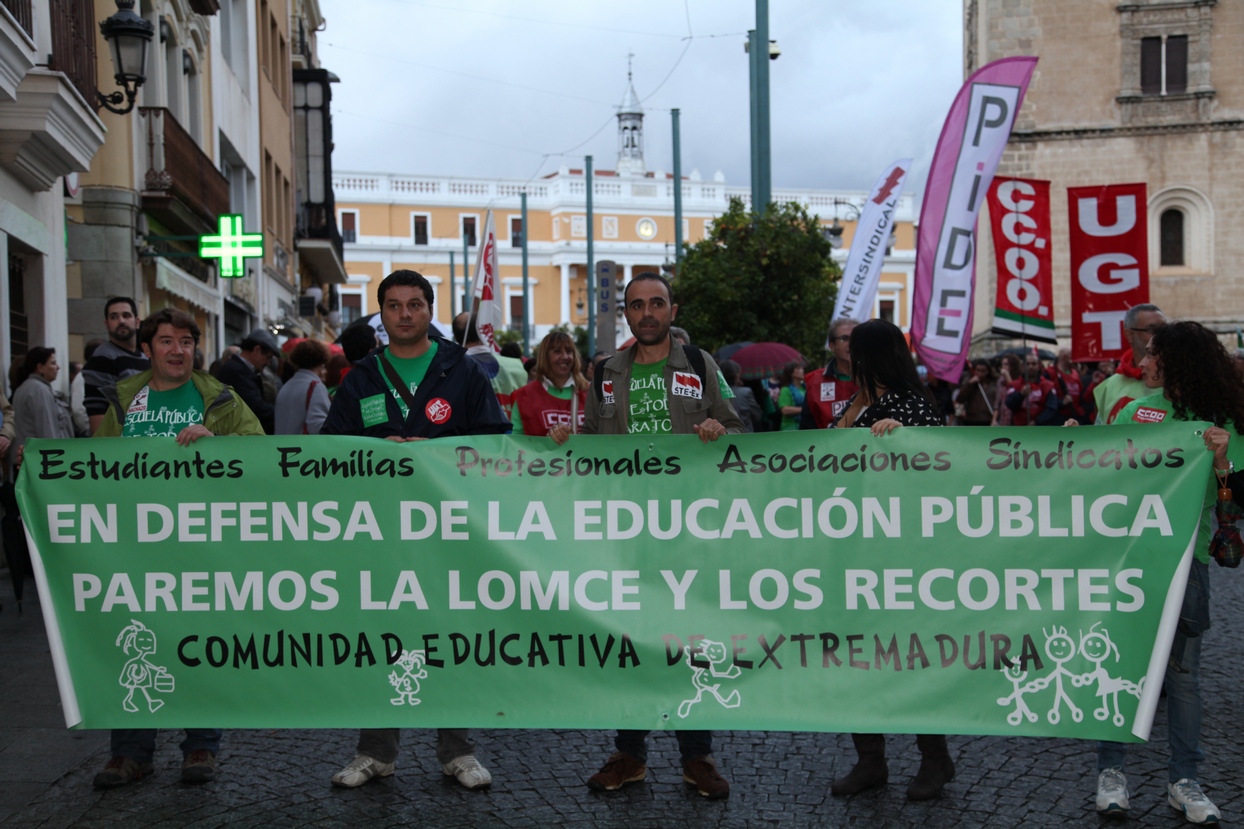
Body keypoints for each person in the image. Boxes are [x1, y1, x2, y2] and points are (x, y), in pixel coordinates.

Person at [321, 269, 509, 792]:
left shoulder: (463, 371)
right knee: (383, 635)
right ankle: (375, 752)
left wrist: (435, 457)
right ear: (381, 314)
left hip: (450, 530)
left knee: (451, 633)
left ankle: (458, 750)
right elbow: (329, 453)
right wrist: (380, 453)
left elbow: (495, 445)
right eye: (394, 305)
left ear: (430, 310)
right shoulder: (361, 377)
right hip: (379, 532)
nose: (405, 314)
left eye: (415, 304)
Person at [564, 271, 743, 800]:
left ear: (672, 308)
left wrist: (718, 431)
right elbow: (592, 443)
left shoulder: (701, 365)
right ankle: (630, 754)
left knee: (692, 641)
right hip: (627, 533)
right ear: (626, 313)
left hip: (691, 532)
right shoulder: (606, 373)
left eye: (656, 303)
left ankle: (697, 757)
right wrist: (564, 442)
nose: (647, 313)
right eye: (637, 305)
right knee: (631, 642)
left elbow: (737, 428)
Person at [91, 308, 263, 788]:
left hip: (205, 549)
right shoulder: (126, 401)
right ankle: (129, 753)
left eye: (186, 341)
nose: (177, 350)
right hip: (136, 548)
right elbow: (95, 470)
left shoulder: (222, 401)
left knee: (200, 643)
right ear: (148, 349)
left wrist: (218, 444)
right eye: (166, 341)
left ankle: (201, 746)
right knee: (130, 641)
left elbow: (262, 455)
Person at [1091, 321, 1243, 824]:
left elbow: (1237, 498)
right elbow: (1101, 473)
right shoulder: (1137, 411)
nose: (1144, 362)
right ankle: (1111, 774)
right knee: (1117, 666)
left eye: (1153, 355)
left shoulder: (1222, 421)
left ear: (1176, 362)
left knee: (1183, 679)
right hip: (1127, 561)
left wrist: (1222, 463)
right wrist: (1071, 447)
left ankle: (1185, 780)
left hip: (1186, 565)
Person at [829, 319, 955, 801]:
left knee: (910, 655)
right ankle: (871, 760)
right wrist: (858, 409)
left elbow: (931, 471)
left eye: (852, 350)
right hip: (856, 548)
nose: (844, 356)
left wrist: (904, 438)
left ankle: (935, 757)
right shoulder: (860, 402)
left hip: (900, 554)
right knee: (859, 656)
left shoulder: (911, 406)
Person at [82, 297, 149, 435]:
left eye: (126, 315)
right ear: (107, 324)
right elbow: (96, 409)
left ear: (137, 322)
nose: (121, 321)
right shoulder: (103, 358)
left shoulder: (145, 358)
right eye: (114, 317)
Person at [1093, 303, 1164, 424]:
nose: (1162, 336)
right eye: (1153, 329)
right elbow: (1100, 434)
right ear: (1130, 335)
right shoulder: (1109, 386)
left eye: (1165, 329)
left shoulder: (1176, 383)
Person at [510, 330, 588, 438]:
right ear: (545, 357)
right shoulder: (524, 397)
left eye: (569, 351)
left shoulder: (590, 393)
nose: (565, 356)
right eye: (557, 351)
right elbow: (515, 442)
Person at [452, 311, 529, 418]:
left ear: (455, 337)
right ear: (484, 331)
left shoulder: (452, 368)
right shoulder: (516, 366)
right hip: (512, 433)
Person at [9, 348, 74, 470]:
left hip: (32, 460)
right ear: (40, 367)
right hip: (41, 463)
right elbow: (47, 430)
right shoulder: (39, 390)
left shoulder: (26, 387)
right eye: (53, 363)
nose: (58, 367)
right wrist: (57, 463)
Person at [215, 328, 281, 434]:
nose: (268, 363)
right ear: (257, 350)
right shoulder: (235, 371)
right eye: (268, 357)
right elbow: (255, 407)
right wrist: (281, 413)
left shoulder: (240, 369)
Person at [799, 318, 858, 430]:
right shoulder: (814, 381)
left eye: (856, 339)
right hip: (826, 445)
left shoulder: (877, 379)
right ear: (832, 346)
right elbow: (806, 429)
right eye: (844, 339)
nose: (852, 344)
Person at [274, 339, 332, 435]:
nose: (325, 372)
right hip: (303, 448)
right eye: (324, 367)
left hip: (281, 447)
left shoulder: (286, 386)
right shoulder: (315, 387)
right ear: (321, 365)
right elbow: (317, 427)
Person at [1005, 353, 1059, 426]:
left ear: (1038, 366)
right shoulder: (1014, 385)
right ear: (1023, 366)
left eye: (1034, 364)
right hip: (1020, 428)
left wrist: (1037, 422)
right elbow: (1009, 404)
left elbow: (1052, 408)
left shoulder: (1048, 385)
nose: (1031, 366)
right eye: (1028, 364)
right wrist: (1020, 395)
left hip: (1042, 428)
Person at [1047, 348, 1089, 424]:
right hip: (1059, 417)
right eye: (1072, 357)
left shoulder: (1075, 373)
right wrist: (1061, 402)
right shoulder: (1050, 372)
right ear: (1065, 357)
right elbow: (1045, 398)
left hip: (1075, 415)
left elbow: (1081, 394)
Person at [720, 359, 762, 432]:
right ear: (736, 376)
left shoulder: (714, 392)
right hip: (744, 435)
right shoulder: (745, 392)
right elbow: (757, 415)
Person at [956, 358, 996, 426]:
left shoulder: (993, 383)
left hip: (988, 419)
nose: (980, 373)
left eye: (983, 371)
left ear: (988, 371)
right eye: (978, 370)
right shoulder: (968, 381)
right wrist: (970, 384)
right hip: (971, 419)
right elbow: (960, 399)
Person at [992, 354, 1022, 426]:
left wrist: (1007, 376)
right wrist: (994, 420)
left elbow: (1014, 393)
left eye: (1006, 364)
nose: (1004, 367)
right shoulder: (1000, 381)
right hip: (1003, 417)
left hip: (1015, 417)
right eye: (1003, 364)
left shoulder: (1020, 380)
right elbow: (998, 402)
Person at [775, 360, 805, 430]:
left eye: (802, 368)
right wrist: (806, 410)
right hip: (790, 428)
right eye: (798, 369)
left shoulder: (805, 388)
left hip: (804, 426)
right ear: (791, 373)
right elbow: (785, 410)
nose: (802, 370)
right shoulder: (785, 390)